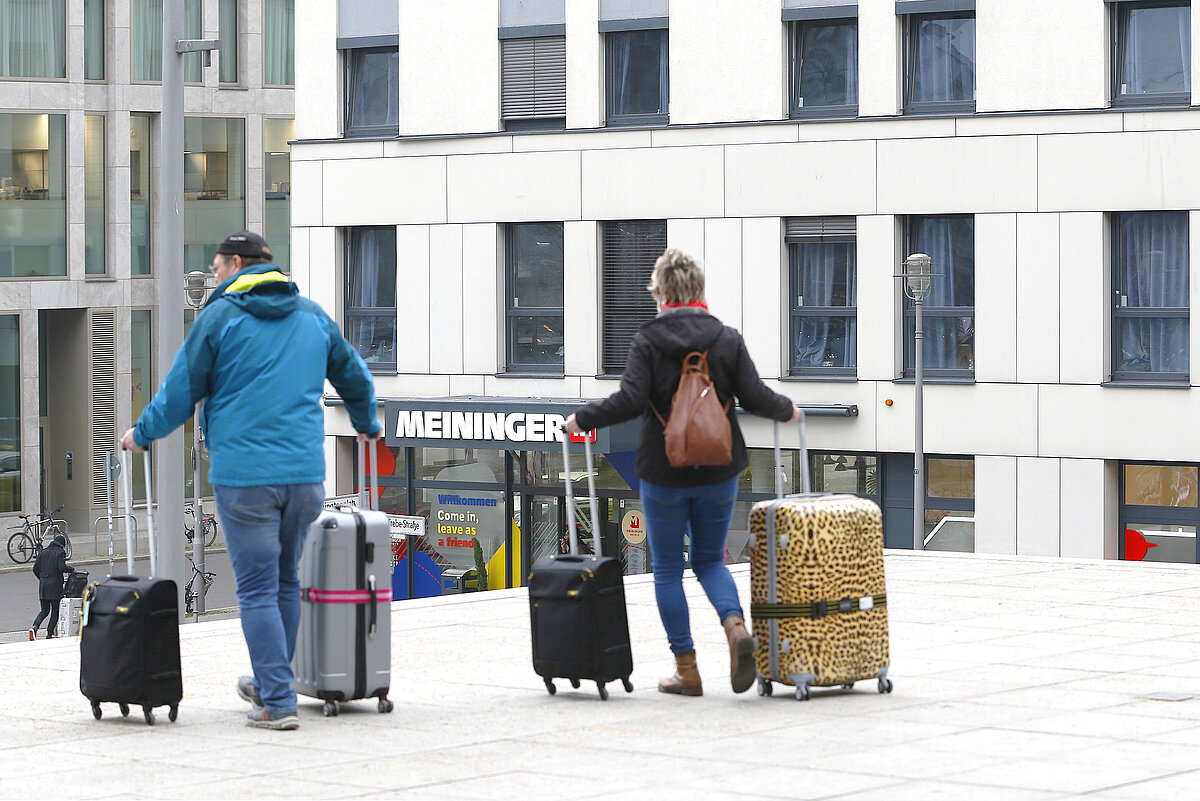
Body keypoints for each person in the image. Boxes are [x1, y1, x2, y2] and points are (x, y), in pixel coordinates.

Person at [120, 231, 381, 730]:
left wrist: (142, 434)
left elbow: (180, 393)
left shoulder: (220, 318)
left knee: (259, 590)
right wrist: (367, 424)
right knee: (286, 583)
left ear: (237, 263)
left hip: (246, 480)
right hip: (304, 478)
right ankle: (269, 683)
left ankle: (278, 703)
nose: (215, 279)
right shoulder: (311, 316)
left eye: (217, 270)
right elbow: (354, 375)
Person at [566, 248, 798, 697]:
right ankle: (735, 629)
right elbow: (753, 395)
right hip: (719, 470)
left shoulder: (648, 341)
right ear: (699, 290)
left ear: (659, 293)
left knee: (669, 570)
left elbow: (631, 400)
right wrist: (788, 410)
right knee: (710, 561)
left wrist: (585, 419)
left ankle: (687, 670)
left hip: (665, 472)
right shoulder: (726, 338)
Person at [28, 534, 71, 640]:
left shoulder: (43, 553)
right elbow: (62, 568)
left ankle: (35, 627)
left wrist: (42, 578)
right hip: (55, 586)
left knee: (44, 610)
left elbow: (35, 569)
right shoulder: (60, 553)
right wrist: (72, 569)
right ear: (62, 545)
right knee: (55, 610)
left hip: (43, 586)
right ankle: (49, 633)